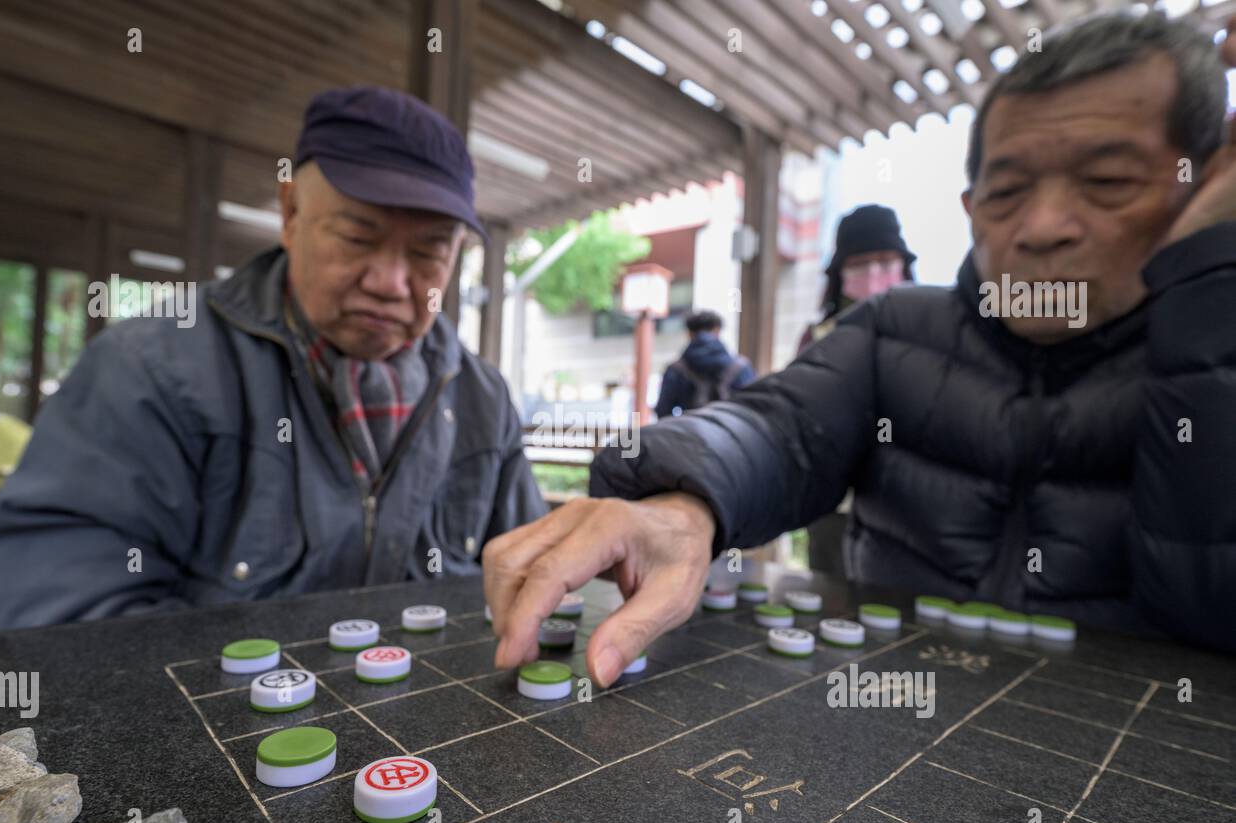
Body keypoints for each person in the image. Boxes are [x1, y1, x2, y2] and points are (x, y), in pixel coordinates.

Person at [483, 12, 1236, 687]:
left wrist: (1208, 297)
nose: (1042, 227)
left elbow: (1209, 605)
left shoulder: (1213, 341)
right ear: (970, 210)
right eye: (1006, 193)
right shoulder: (894, 328)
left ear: (1207, 183)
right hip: (890, 707)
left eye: (1107, 181)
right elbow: (777, 426)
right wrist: (686, 506)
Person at [0, 86, 547, 629]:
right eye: (356, 236)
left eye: (429, 251)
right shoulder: (150, 369)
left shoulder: (482, 399)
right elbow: (68, 610)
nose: (391, 282)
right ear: (290, 214)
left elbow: (528, 572)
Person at [798, 204, 916, 351]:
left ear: (904, 266)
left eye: (885, 261)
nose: (873, 272)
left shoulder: (926, 330)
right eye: (859, 264)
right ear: (839, 274)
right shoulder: (818, 340)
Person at [655, 310, 755, 417]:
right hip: (730, 430)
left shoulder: (676, 369)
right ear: (718, 331)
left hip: (690, 429)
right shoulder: (741, 367)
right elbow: (752, 407)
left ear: (689, 334)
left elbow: (663, 410)